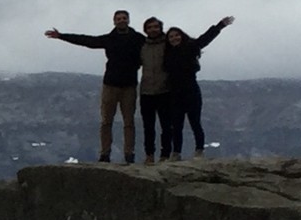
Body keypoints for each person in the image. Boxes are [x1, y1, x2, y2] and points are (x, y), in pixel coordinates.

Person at [45, 10, 146, 162]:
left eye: (124, 18)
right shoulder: (110, 39)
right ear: (114, 21)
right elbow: (87, 41)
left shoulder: (139, 39)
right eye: (118, 19)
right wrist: (62, 36)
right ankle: (105, 154)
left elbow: (155, 47)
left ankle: (129, 154)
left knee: (129, 122)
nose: (121, 21)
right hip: (110, 85)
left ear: (129, 20)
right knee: (106, 121)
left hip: (129, 86)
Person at [161, 17, 235, 159]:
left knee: (195, 122)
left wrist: (220, 25)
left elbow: (205, 38)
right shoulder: (166, 54)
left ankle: (199, 150)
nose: (174, 38)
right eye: (171, 37)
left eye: (177, 35)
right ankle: (176, 153)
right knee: (176, 124)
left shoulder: (191, 47)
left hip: (191, 90)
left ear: (182, 36)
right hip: (174, 93)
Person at [135, 17, 170, 163]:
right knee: (148, 126)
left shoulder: (169, 44)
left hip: (165, 90)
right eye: (150, 27)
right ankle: (149, 155)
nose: (153, 29)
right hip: (147, 91)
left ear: (161, 28)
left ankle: (165, 155)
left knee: (167, 126)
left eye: (156, 26)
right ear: (145, 30)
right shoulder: (142, 46)